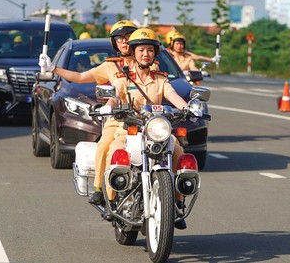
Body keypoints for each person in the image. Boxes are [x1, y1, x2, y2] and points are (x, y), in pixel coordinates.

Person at [102, 28, 196, 229]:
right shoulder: (124, 77)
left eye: (150, 50)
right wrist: (108, 106)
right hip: (129, 130)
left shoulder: (161, 79)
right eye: (142, 50)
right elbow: (116, 95)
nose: (146, 54)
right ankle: (110, 203)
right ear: (134, 52)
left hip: (157, 131)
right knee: (114, 153)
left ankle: (178, 205)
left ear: (155, 53)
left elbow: (173, 97)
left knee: (179, 154)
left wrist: (188, 108)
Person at [40, 20, 141, 207]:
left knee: (172, 149)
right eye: (120, 38)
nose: (125, 41)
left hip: (146, 120)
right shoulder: (110, 66)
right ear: (115, 43)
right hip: (120, 119)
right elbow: (79, 78)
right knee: (104, 146)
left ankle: (174, 199)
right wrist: (52, 68)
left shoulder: (148, 64)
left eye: (129, 37)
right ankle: (99, 190)